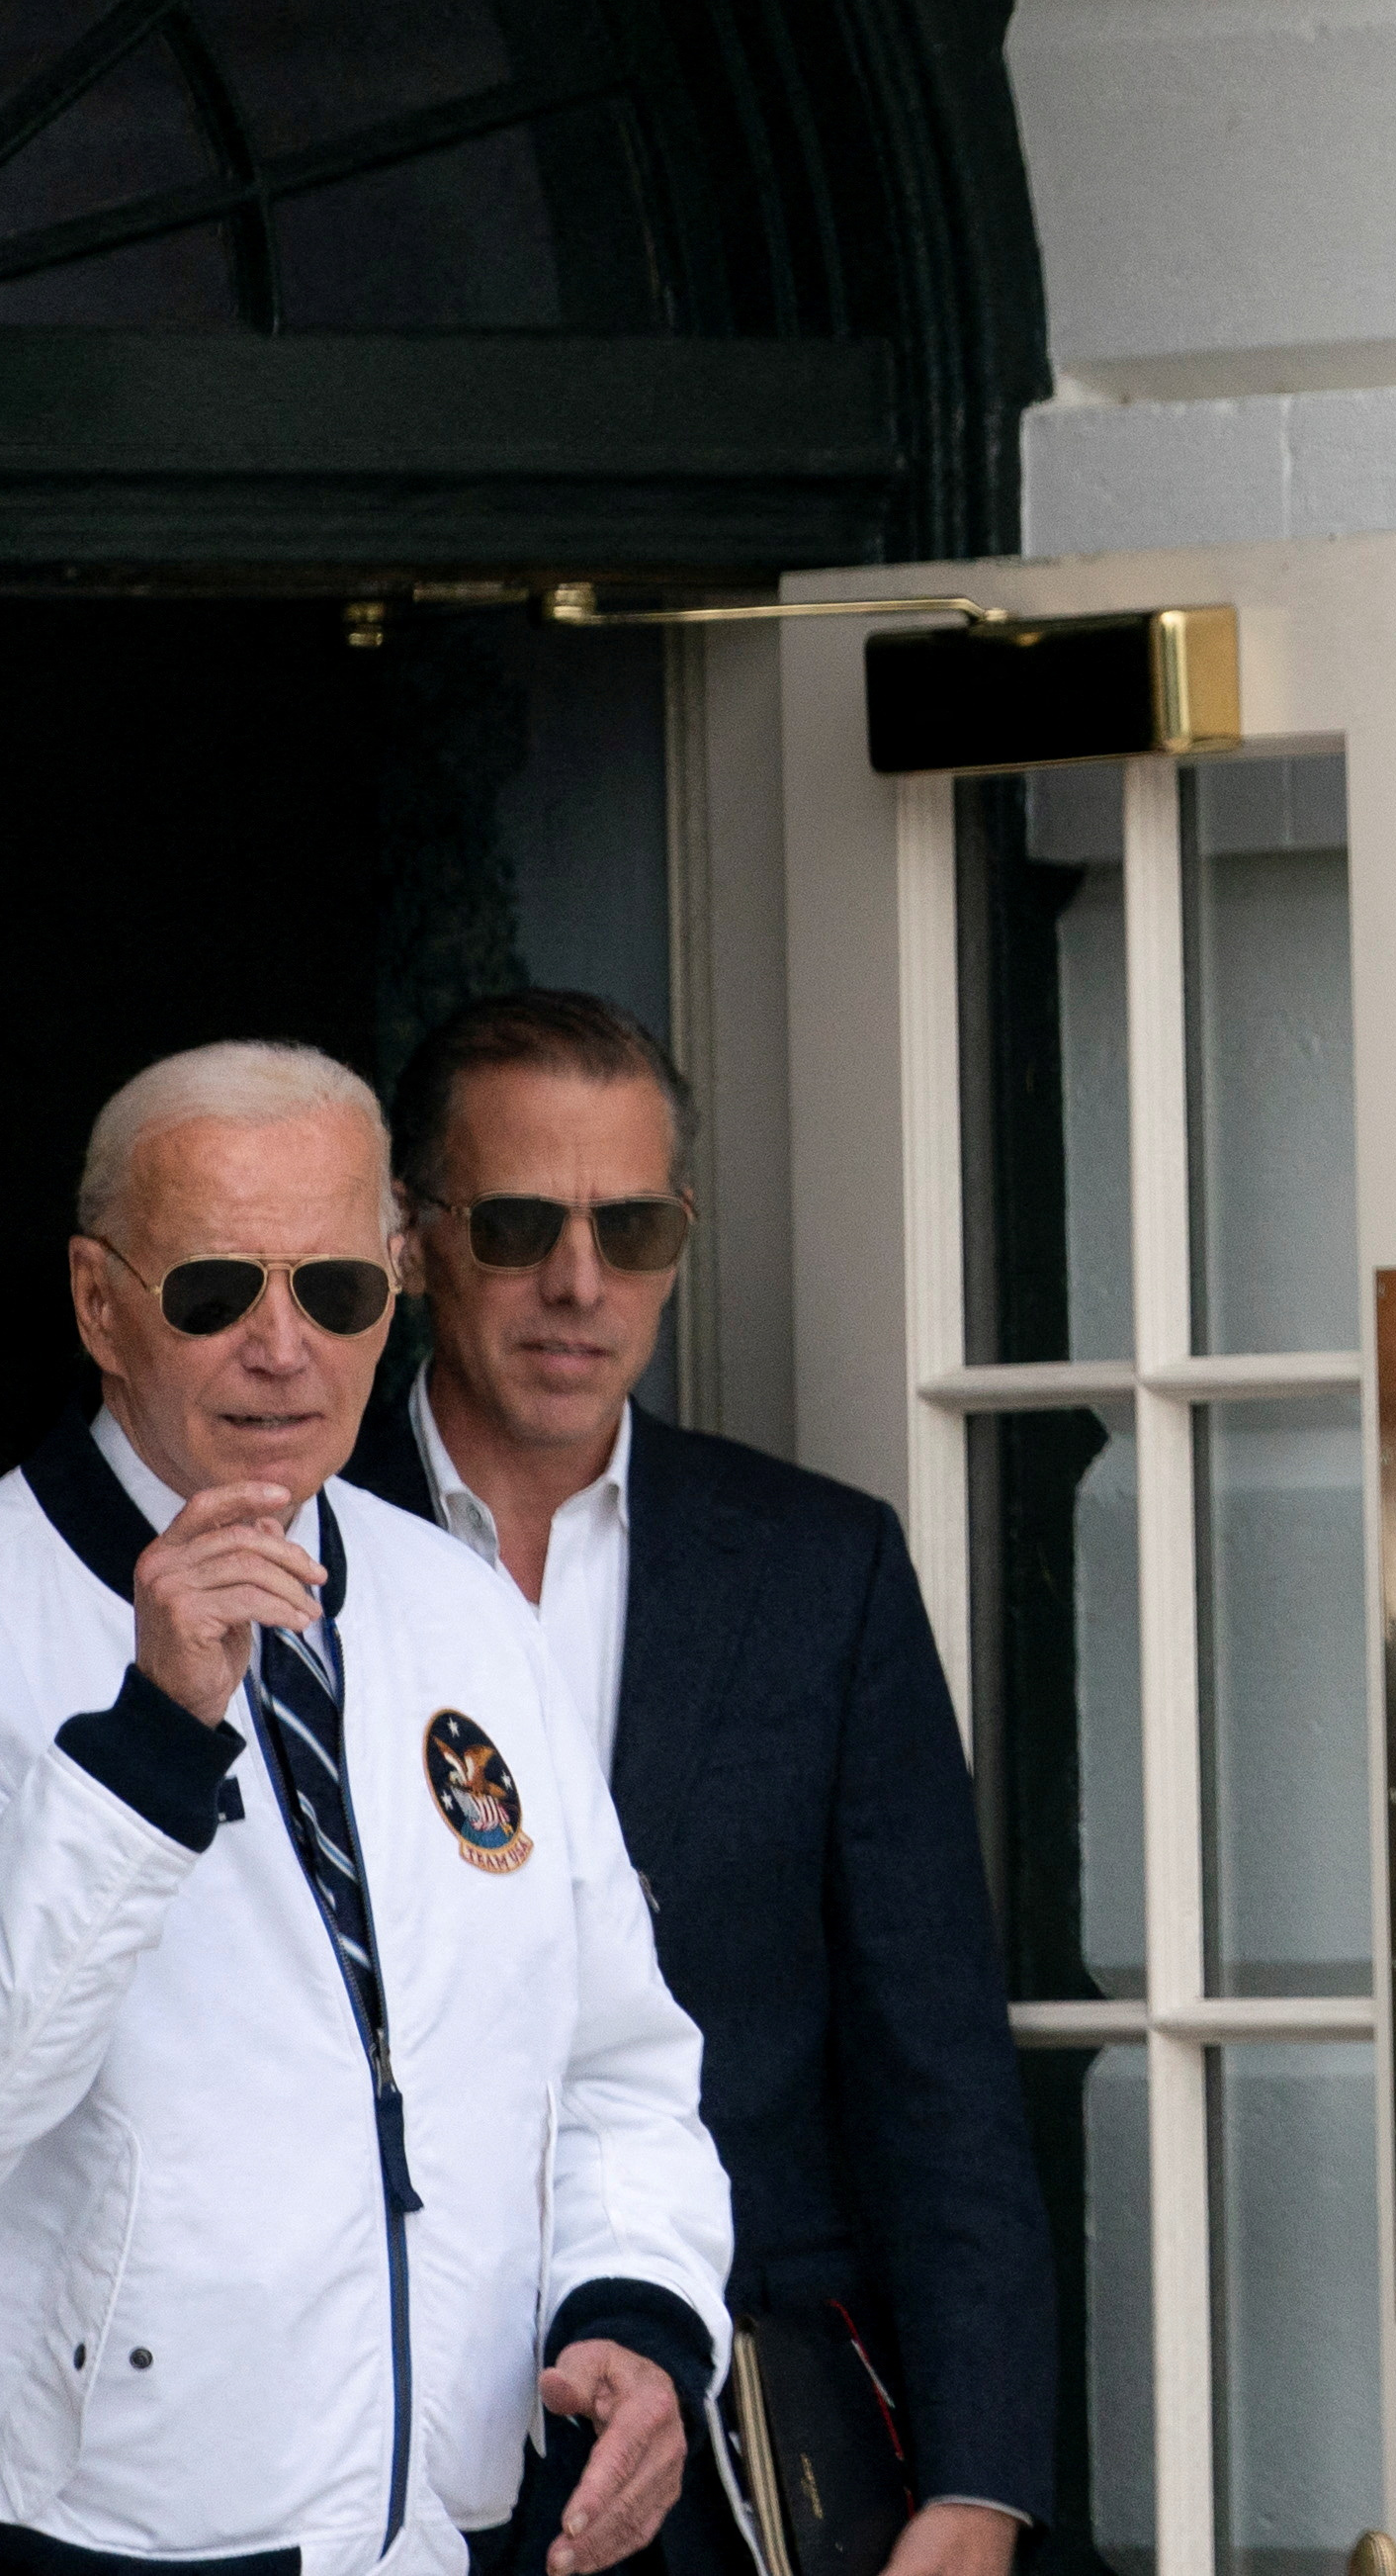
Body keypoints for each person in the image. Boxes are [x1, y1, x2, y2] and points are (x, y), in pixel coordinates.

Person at [0, 1037, 731, 2576]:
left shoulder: (460, 1610)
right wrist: (149, 1739)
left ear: (394, 1284)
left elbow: (616, 2055)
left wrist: (631, 2308)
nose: (281, 1346)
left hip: (439, 2529)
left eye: (336, 1291)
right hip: (67, 2541)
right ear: (101, 1302)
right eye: (216, 1288)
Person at [349, 990, 1050, 2576]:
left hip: (738, 2446)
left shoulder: (819, 1566)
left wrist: (981, 2473)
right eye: (521, 1220)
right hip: (378, 2424)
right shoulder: (294, 1537)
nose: (581, 1281)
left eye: (636, 1225)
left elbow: (932, 2056)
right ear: (413, 1236)